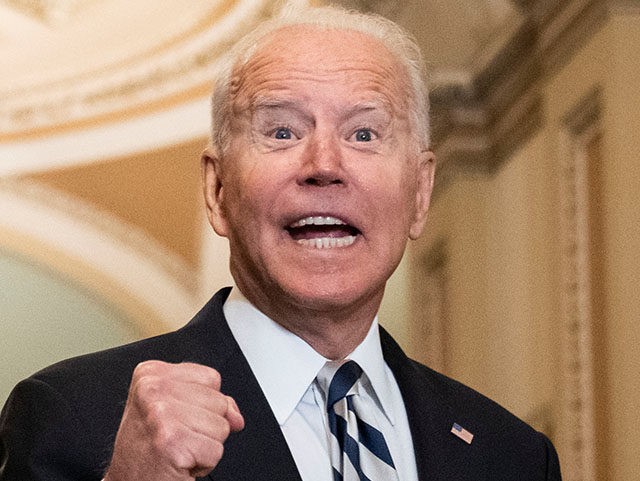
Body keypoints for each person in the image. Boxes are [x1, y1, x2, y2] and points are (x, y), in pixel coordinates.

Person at [0, 4, 561, 481]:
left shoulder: (509, 455)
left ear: (419, 193)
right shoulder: (72, 415)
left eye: (363, 133)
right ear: (217, 191)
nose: (324, 166)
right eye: (282, 132)